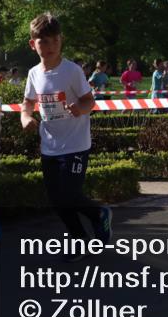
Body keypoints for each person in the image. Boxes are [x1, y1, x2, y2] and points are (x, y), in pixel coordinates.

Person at [21, 13, 112, 256]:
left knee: (70, 194)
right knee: (57, 200)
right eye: (43, 42)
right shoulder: (33, 74)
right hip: (49, 145)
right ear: (33, 44)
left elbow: (89, 101)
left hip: (75, 144)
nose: (50, 47)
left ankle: (99, 213)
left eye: (54, 41)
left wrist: (78, 108)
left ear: (61, 41)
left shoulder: (71, 71)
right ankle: (80, 241)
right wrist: (26, 117)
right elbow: (28, 102)